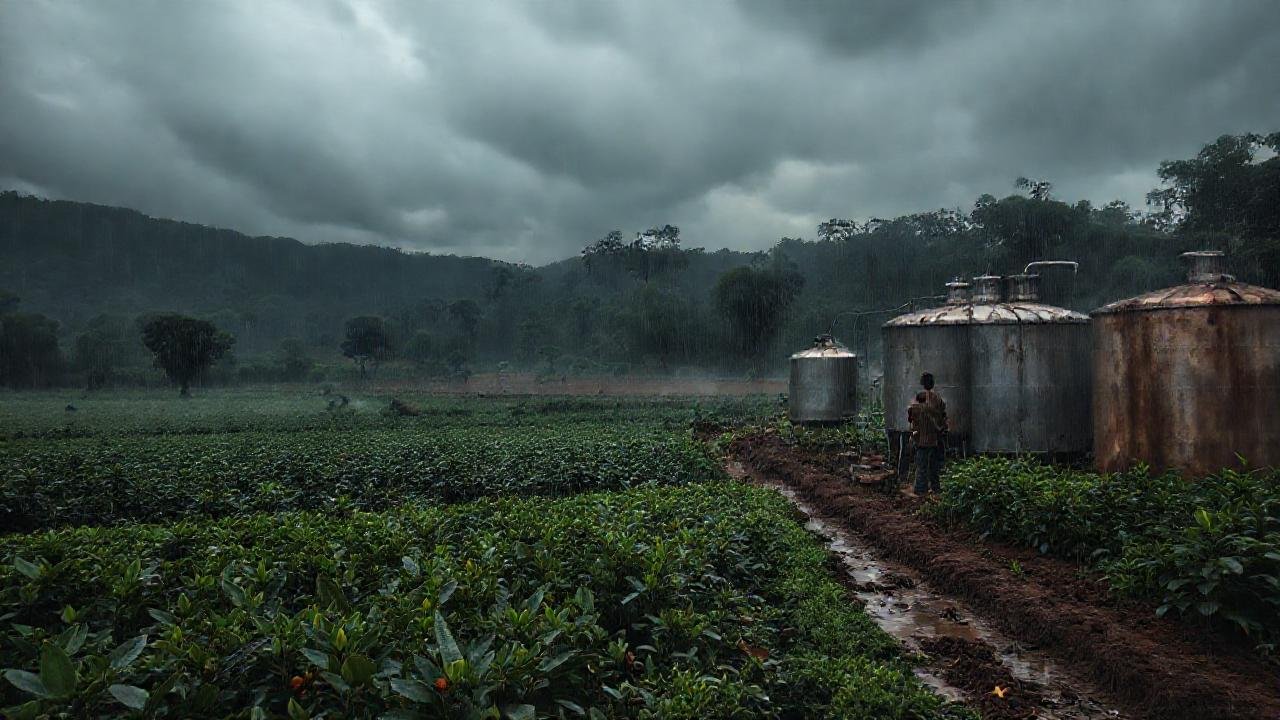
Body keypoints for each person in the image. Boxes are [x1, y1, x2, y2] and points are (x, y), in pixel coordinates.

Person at [907, 372, 947, 495]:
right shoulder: (937, 398)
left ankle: (921, 489)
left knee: (922, 466)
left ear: (922, 383)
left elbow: (911, 418)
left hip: (921, 439)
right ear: (932, 383)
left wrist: (913, 434)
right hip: (934, 438)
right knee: (934, 466)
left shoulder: (917, 402)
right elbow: (943, 414)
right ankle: (935, 488)